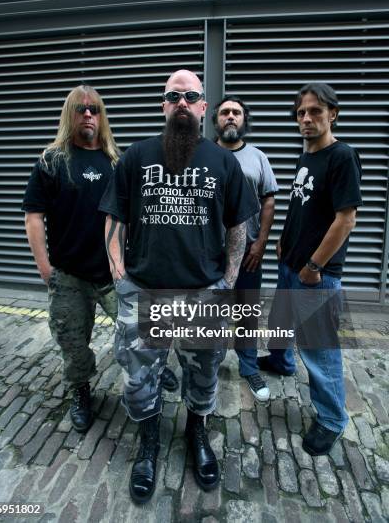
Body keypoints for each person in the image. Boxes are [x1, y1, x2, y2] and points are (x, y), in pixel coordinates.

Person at [100, 69, 257, 503]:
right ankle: (148, 443)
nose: (182, 103)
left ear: (203, 107)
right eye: (174, 96)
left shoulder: (224, 162)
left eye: (191, 97)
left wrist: (226, 283)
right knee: (139, 380)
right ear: (163, 106)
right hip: (144, 294)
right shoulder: (136, 157)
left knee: (203, 375)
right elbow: (115, 219)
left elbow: (237, 229)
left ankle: (196, 434)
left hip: (202, 294)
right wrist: (120, 277)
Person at [22, 85, 177, 433]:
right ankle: (81, 390)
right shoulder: (52, 161)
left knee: (141, 332)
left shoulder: (117, 162)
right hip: (70, 277)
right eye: (81, 109)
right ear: (70, 115)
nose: (88, 115)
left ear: (102, 116)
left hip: (115, 273)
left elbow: (137, 215)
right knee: (73, 343)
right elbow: (33, 217)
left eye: (94, 109)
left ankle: (152, 369)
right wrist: (46, 269)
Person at [258, 82, 362, 456]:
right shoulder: (307, 156)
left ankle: (332, 419)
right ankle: (280, 360)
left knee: (319, 349)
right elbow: (302, 205)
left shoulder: (342, 156)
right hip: (293, 262)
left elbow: (345, 219)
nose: (306, 118)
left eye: (316, 111)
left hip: (316, 272)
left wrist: (315, 265)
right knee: (281, 320)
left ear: (332, 114)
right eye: (301, 112)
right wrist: (285, 240)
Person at [213, 96, 278, 403]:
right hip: (209, 252)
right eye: (225, 112)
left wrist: (261, 243)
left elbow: (269, 201)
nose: (230, 117)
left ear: (243, 120)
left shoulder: (258, 157)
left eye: (236, 113)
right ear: (215, 120)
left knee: (246, 313)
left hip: (249, 252)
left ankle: (249, 366)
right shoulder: (203, 154)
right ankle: (206, 367)